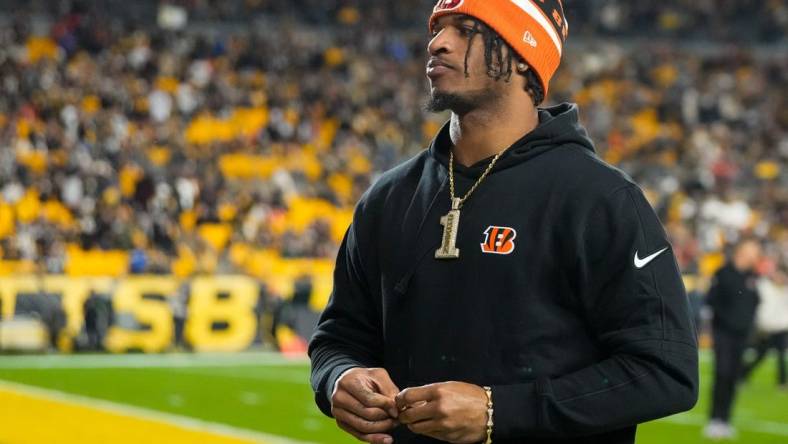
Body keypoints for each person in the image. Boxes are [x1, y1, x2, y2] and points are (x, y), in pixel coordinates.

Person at [309, 1, 699, 443]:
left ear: (521, 52)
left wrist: (499, 411)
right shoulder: (389, 196)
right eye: (437, 29)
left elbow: (666, 371)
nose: (436, 43)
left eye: (465, 29)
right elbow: (338, 337)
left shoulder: (599, 198)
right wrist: (339, 378)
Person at [704, 238, 763, 439]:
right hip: (723, 334)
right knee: (721, 375)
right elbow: (711, 300)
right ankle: (714, 420)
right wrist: (725, 323)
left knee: (733, 378)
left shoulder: (752, 276)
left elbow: (755, 302)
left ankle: (726, 420)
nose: (756, 254)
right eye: (753, 250)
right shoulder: (724, 273)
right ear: (742, 251)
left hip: (742, 336)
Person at [740, 267, 788, 390]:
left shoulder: (785, 290)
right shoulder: (765, 288)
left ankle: (782, 382)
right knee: (760, 355)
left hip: (781, 328)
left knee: (781, 356)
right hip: (766, 328)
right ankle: (743, 375)